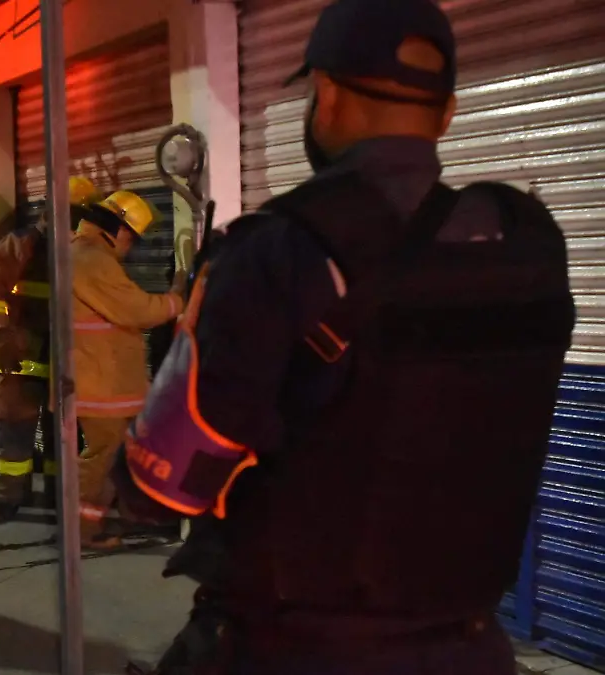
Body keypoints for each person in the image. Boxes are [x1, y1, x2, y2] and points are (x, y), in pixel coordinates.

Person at [113, 1, 576, 673]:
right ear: (445, 117)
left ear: (323, 95)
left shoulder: (279, 251)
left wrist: (120, 480)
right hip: (473, 648)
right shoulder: (528, 245)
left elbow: (165, 484)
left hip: (297, 650)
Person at [0, 176, 101, 524]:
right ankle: (8, 499)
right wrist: (3, 334)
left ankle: (56, 494)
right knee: (14, 429)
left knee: (62, 435)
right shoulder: (21, 245)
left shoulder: (82, 250)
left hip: (66, 355)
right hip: (24, 354)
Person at [71, 190, 185, 549]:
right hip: (100, 382)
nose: (132, 248)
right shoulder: (91, 260)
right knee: (102, 459)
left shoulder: (86, 256)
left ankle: (108, 521)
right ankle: (82, 532)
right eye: (133, 238)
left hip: (108, 381)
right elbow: (136, 310)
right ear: (118, 229)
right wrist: (178, 297)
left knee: (119, 455)